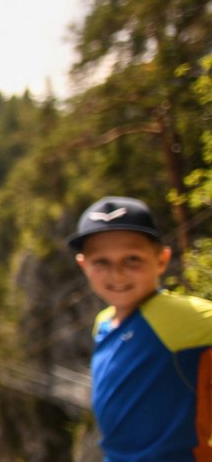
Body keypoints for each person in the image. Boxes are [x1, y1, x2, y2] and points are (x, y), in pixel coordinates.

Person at [67, 196, 212, 461]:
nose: (117, 273)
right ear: (83, 265)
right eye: (101, 262)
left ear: (161, 259)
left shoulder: (182, 317)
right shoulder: (103, 322)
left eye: (132, 259)